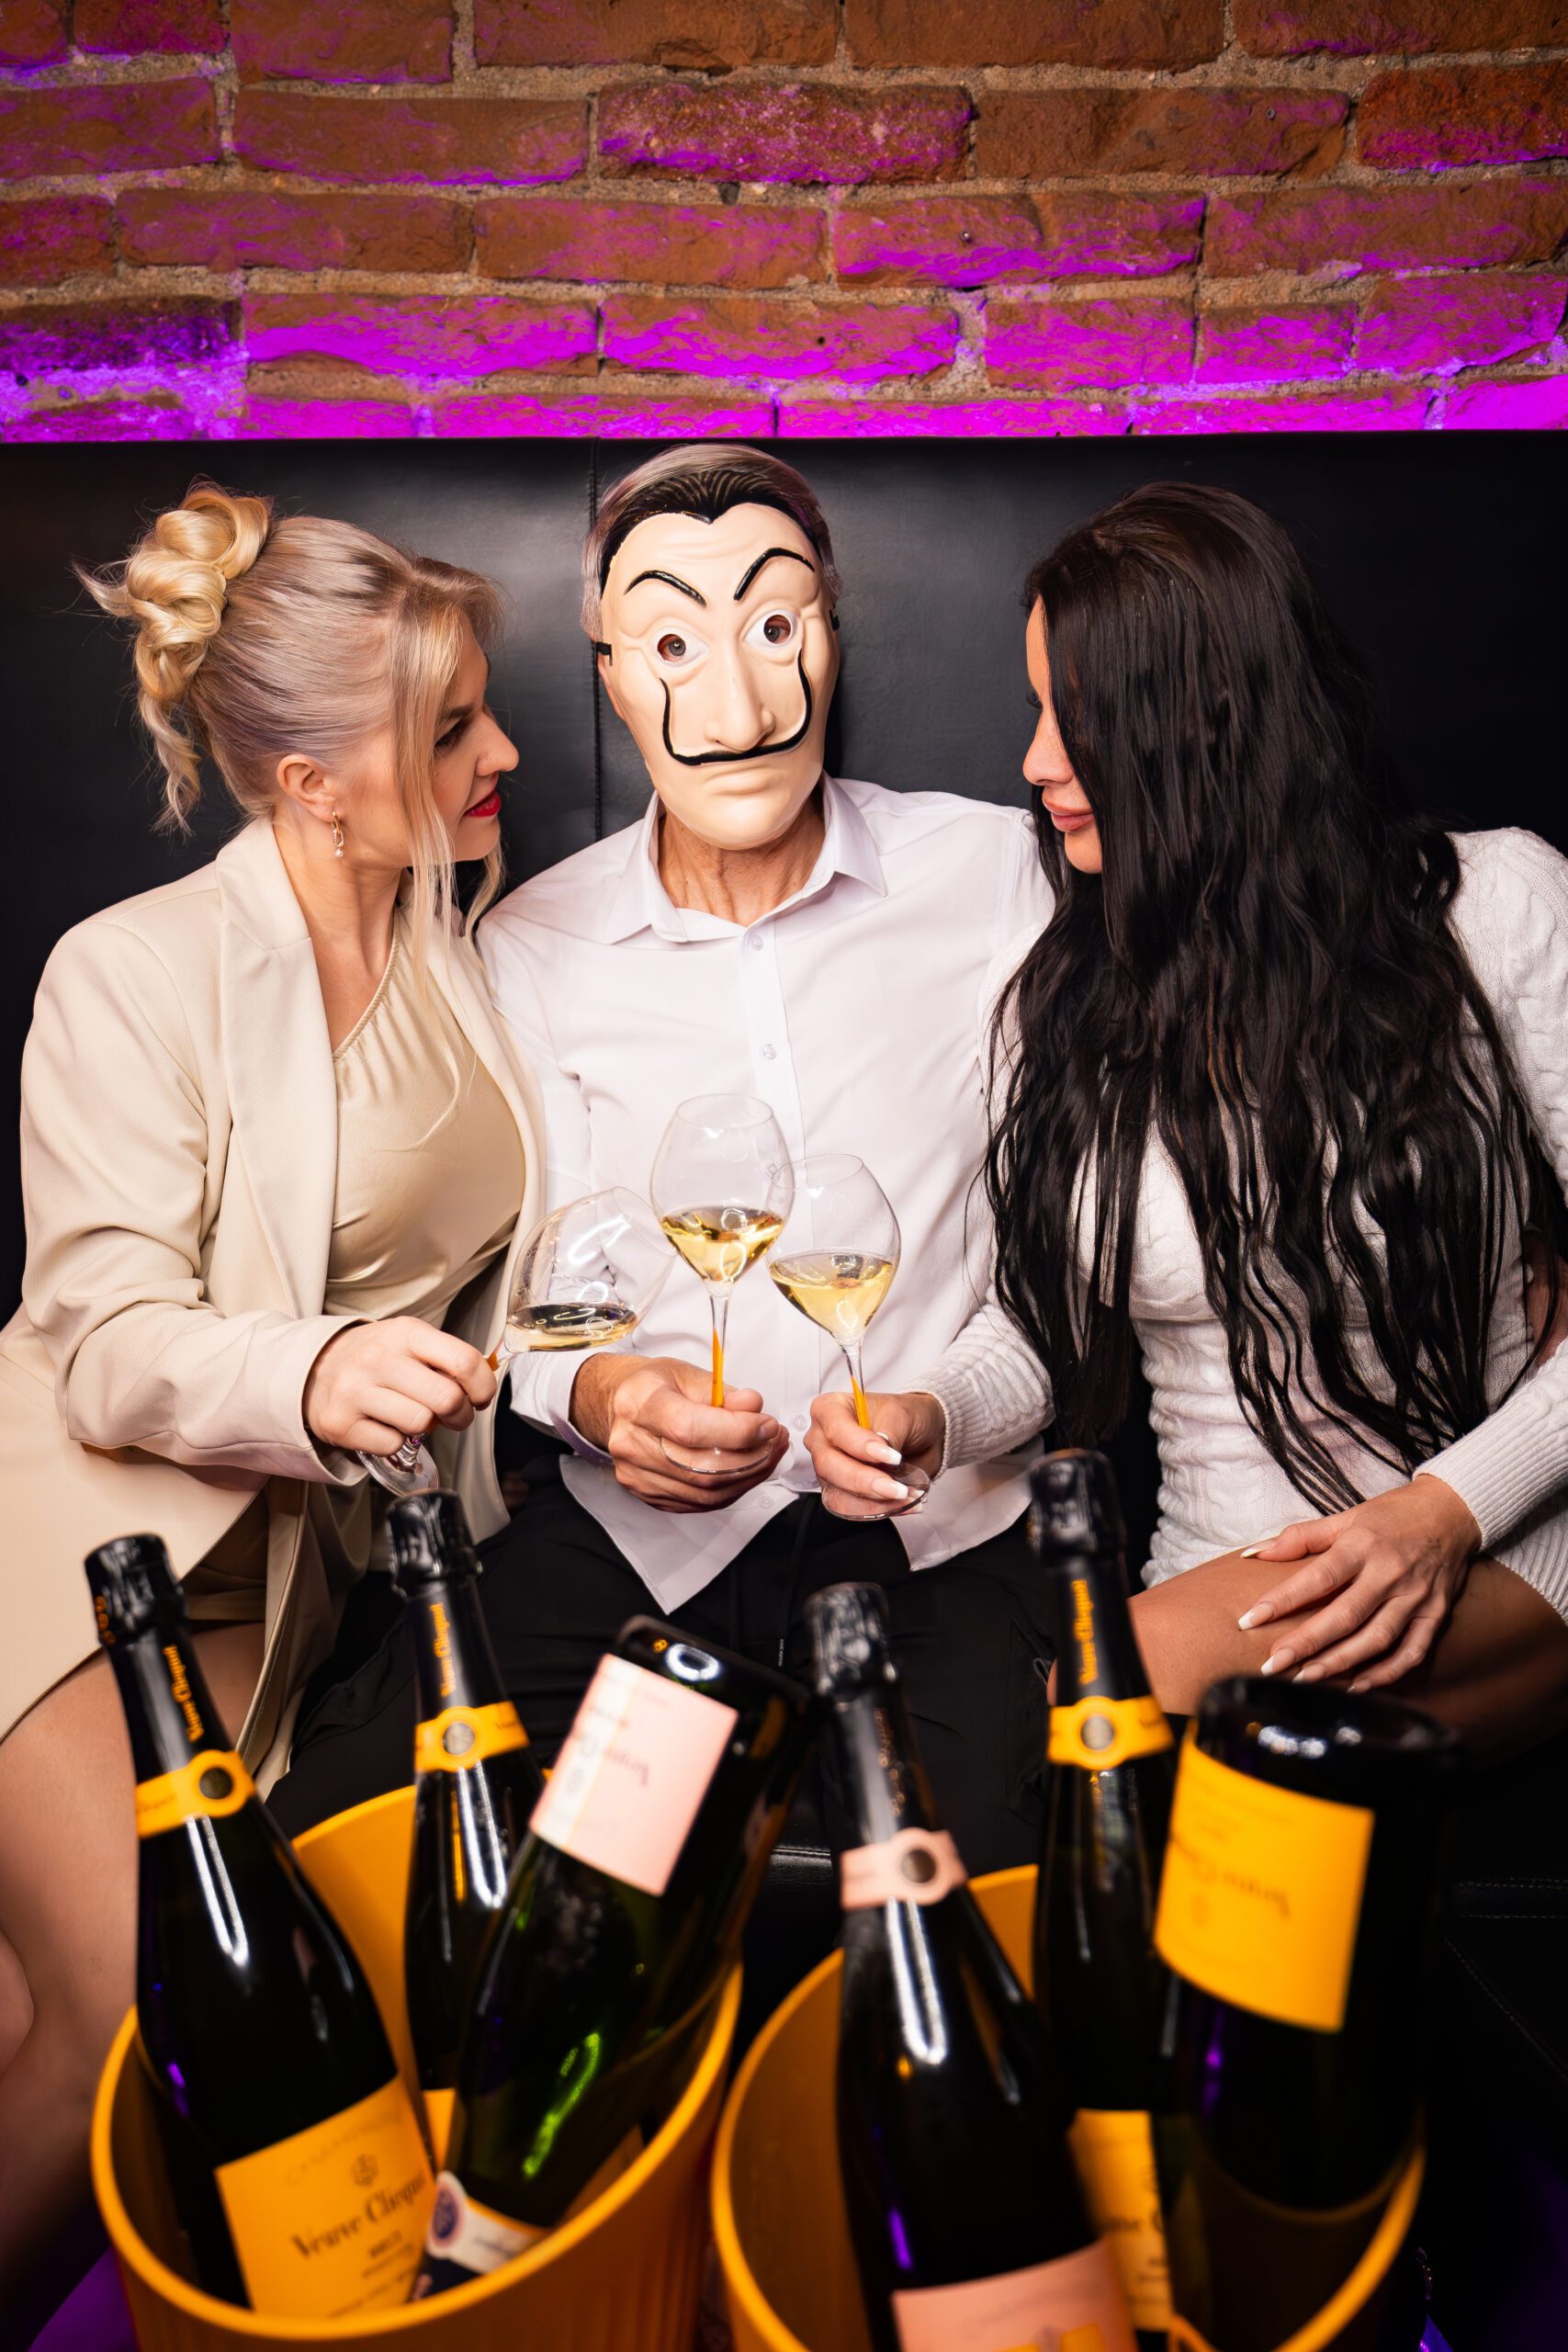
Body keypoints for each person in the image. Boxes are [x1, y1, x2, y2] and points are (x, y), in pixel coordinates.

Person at [272, 443, 1057, 1874]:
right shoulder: (528, 945)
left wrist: (944, 1411)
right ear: (613, 677)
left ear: (831, 636)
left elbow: (1068, 1276)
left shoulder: (999, 875)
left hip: (937, 1549)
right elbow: (536, 1310)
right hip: (638, 1555)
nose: (737, 707)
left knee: (972, 1907)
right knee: (344, 1848)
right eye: (675, 646)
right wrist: (608, 1400)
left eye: (777, 625)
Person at [0, 484, 541, 2340]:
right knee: (122, 2017)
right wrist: (310, 1372)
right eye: (450, 729)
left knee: (75, 2024)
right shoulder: (132, 971)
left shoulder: (461, 939)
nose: (502, 753)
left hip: (282, 1590)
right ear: (313, 783)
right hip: (69, 1551)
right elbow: (99, 1333)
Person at [818, 480, 1568, 1757]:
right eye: (1036, 711)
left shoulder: (1495, 907)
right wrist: (930, 1417)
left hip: (1497, 1542)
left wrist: (1446, 1510)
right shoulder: (1060, 1000)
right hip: (1217, 1576)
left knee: (1113, 1710)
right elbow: (1046, 1329)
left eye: (1077, 717)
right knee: (1155, 1746)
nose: (1035, 763)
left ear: (1206, 721)